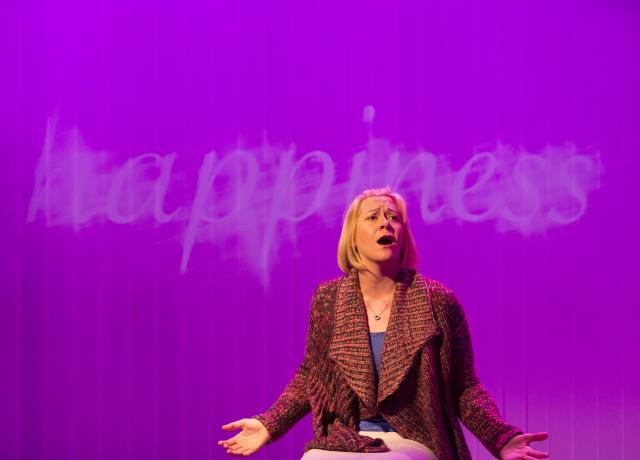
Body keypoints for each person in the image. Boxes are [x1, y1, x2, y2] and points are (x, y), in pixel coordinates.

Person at [218, 187, 549, 459]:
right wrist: (269, 424)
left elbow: (464, 387)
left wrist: (501, 438)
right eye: (373, 217)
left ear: (403, 235)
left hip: (417, 437)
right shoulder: (328, 298)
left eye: (393, 218)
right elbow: (311, 376)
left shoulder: (437, 299)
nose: (385, 224)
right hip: (348, 439)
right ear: (353, 238)